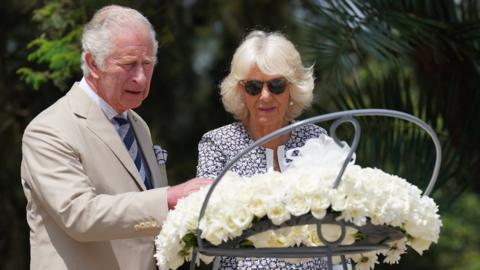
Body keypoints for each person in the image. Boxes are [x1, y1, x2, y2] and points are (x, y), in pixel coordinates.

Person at [20, 5, 211, 270]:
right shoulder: (49, 130)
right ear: (92, 63)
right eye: (129, 64)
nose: (141, 78)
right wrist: (167, 198)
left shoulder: (137, 124)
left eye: (147, 64)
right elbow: (80, 215)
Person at [196, 30, 330, 269]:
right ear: (240, 91)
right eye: (254, 87)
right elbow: (206, 228)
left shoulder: (315, 139)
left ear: (292, 88)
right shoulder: (217, 144)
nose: (265, 96)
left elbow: (338, 221)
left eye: (276, 85)